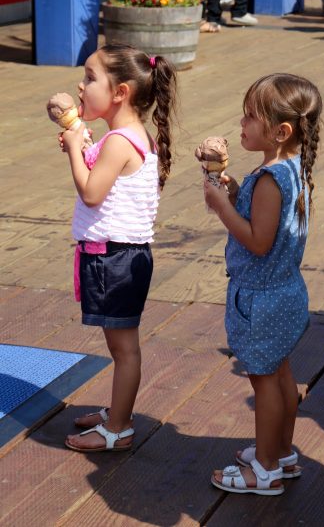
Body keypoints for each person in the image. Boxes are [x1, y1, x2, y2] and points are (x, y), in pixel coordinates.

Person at [203, 73, 322, 494]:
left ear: (280, 131)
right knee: (281, 375)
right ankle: (282, 452)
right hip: (284, 291)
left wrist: (221, 207)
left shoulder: (271, 180)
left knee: (264, 380)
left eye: (252, 116)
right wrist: (236, 194)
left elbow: (257, 241)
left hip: (262, 299)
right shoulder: (290, 168)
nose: (242, 122)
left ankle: (265, 468)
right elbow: (265, 227)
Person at [58, 43, 177, 452]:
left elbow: (92, 194)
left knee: (124, 350)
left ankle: (119, 429)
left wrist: (75, 148)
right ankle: (117, 411)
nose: (81, 84)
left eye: (90, 77)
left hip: (117, 259)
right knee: (119, 345)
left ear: (120, 92)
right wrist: (81, 147)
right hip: (122, 257)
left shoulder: (118, 142)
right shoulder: (130, 135)